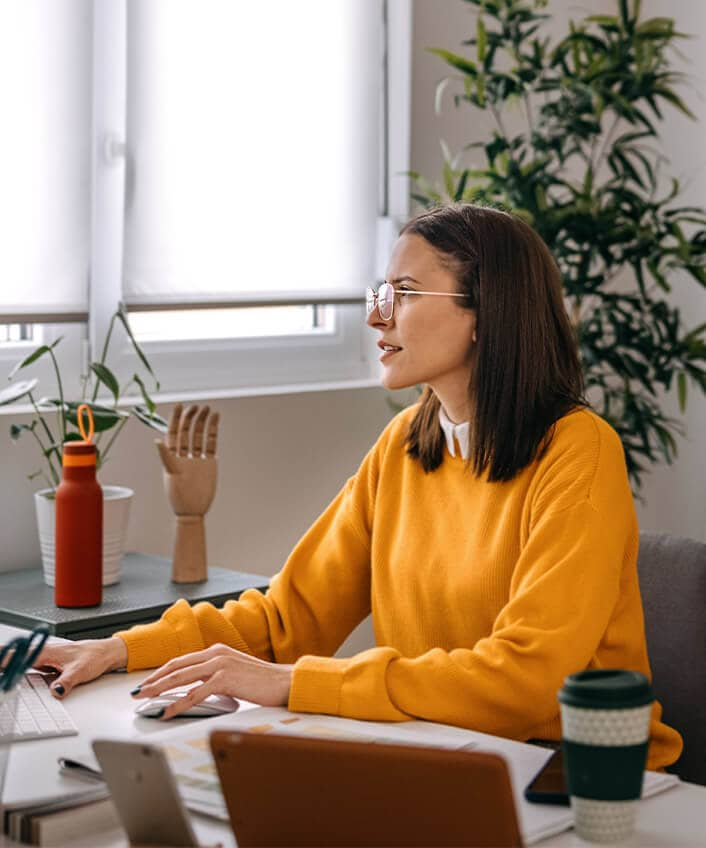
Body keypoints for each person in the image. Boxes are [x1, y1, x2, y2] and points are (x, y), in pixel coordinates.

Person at [34, 203, 682, 770]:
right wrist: (116, 649)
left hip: (575, 779)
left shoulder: (578, 450)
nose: (378, 319)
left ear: (486, 312)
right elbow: (287, 618)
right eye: (380, 294)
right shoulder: (404, 445)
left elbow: (529, 679)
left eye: (402, 293)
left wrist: (293, 684)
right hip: (441, 755)